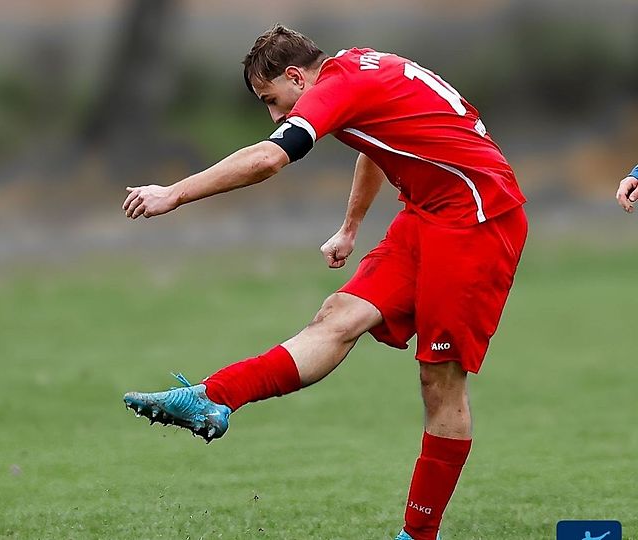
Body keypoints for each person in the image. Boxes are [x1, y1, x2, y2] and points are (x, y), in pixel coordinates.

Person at [121, 24, 527, 540]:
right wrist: (352, 225)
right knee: (339, 315)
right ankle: (214, 397)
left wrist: (173, 194)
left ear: (296, 76)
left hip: (478, 219)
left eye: (272, 101)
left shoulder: (339, 85)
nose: (275, 116)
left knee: (440, 381)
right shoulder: (355, 64)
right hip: (428, 213)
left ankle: (419, 535)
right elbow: (375, 146)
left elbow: (268, 160)